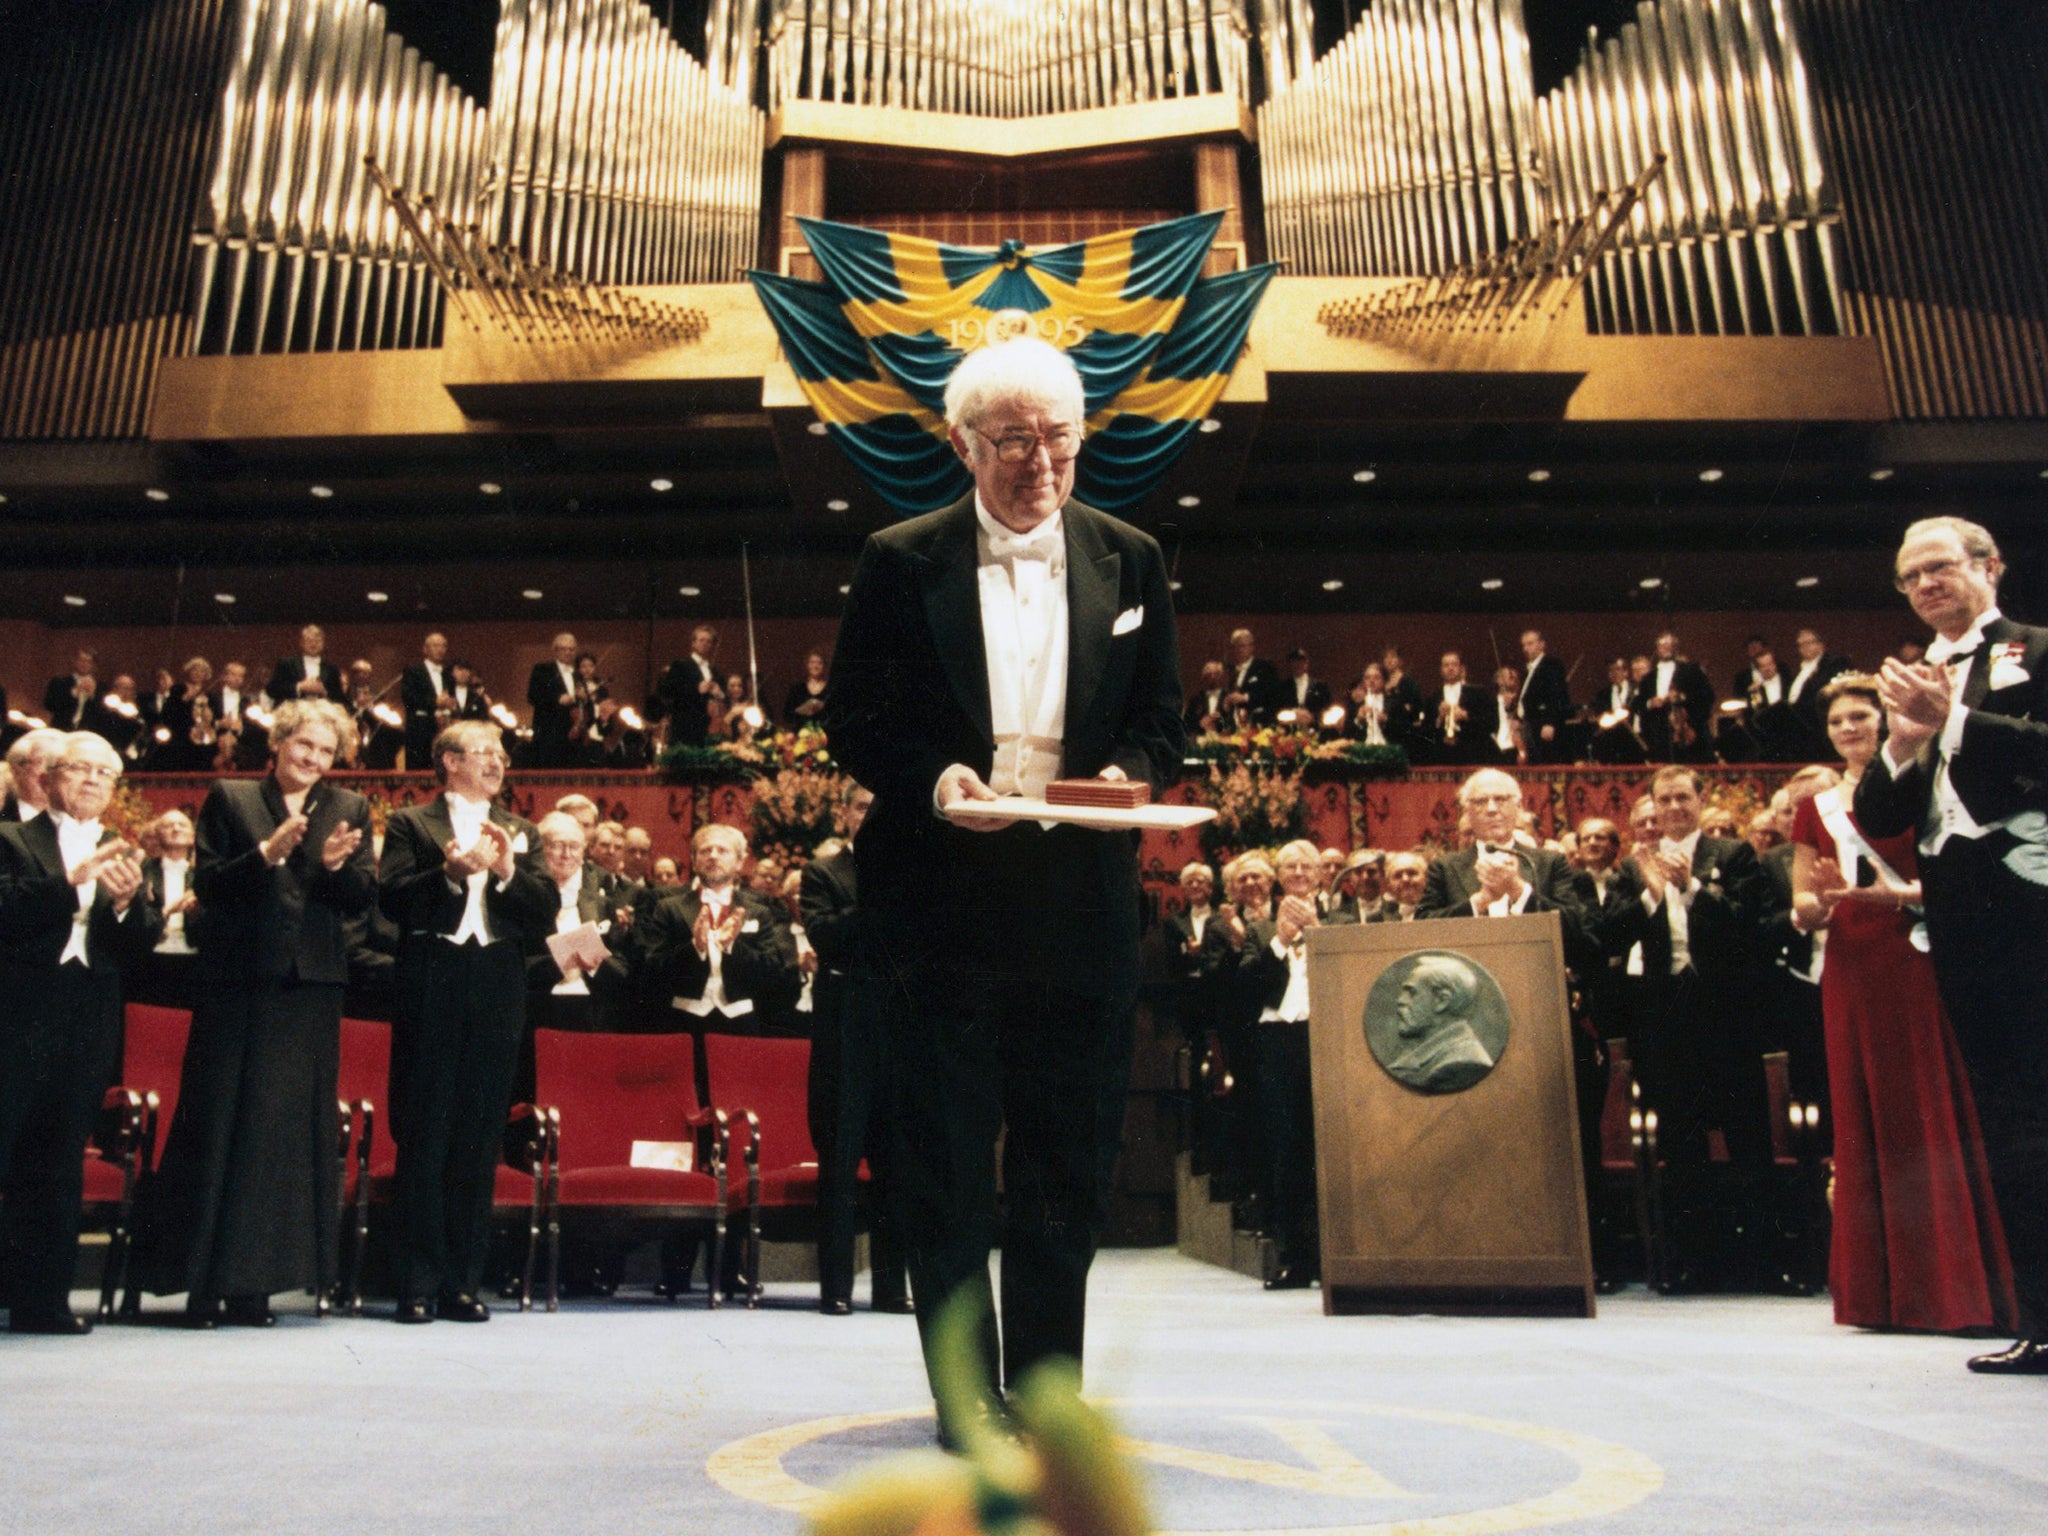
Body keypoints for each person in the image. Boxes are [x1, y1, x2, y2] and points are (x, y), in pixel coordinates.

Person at [822, 336, 1181, 1443]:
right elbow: (853, 722)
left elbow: (1160, 722)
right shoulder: (897, 558)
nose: (1041, 464)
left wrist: (1123, 779)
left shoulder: (1132, 557)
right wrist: (934, 780)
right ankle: (962, 1393)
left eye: (1060, 438)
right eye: (1014, 440)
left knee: (1064, 1163)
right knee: (940, 1163)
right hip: (939, 905)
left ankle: (1044, 1383)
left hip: (1079, 909)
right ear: (961, 442)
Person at [1854, 516, 2048, 1372]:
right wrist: (1901, 745)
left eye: (1940, 568)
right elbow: (1882, 817)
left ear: (1990, 567)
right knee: (2007, 1117)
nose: (1926, 585)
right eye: (1910, 577)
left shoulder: (2037, 652)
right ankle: (2041, 1319)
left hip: (2035, 905)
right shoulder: (1914, 677)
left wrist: (1956, 722)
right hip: (1962, 922)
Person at [133, 701, 374, 1327]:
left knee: (281, 1136)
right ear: (280, 741)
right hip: (237, 983)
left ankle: (256, 1288)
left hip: (309, 990)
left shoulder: (347, 810)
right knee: (220, 1122)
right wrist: (265, 854)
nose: (313, 761)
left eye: (326, 753)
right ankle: (202, 1286)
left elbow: (358, 902)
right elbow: (209, 885)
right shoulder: (231, 796)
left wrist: (333, 868)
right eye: (305, 746)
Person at [1793, 673, 2015, 1335]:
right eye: (1838, 723)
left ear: (1885, 720)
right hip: (1852, 969)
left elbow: (1950, 886)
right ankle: (1882, 1297)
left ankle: (1956, 1290)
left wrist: (1882, 897)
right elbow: (1803, 907)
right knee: (1868, 1118)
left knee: (1932, 1110)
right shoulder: (1817, 806)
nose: (1849, 730)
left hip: (1914, 956)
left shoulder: (1923, 784)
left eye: (1861, 717)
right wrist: (1819, 903)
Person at [377, 720, 553, 1323]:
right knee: (425, 1135)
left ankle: (461, 1285)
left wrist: (505, 873)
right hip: (433, 978)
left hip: (499, 986)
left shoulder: (522, 831)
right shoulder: (410, 823)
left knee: (479, 1139)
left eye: (502, 754)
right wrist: (448, 875)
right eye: (485, 753)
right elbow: (392, 899)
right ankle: (416, 1285)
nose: (498, 763)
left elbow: (545, 910)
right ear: (449, 761)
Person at [0, 733, 159, 1333]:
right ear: (49, 776)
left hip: (85, 1015)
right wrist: (69, 884)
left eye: (106, 773)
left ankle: (41, 1302)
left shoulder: (118, 850)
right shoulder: (10, 838)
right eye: (81, 769)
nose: (93, 780)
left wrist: (122, 905)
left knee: (60, 1155)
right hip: (15, 1012)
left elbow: (134, 949)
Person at [1596, 765, 1771, 1289]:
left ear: (1700, 800)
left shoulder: (1731, 855)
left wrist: (1691, 887)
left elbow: (1747, 923)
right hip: (1665, 1010)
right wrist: (1651, 894)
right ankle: (1693, 1262)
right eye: (1663, 800)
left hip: (1725, 1009)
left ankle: (1758, 1262)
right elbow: (1610, 935)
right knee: (1681, 1136)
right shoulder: (1634, 867)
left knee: (1746, 1134)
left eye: (1682, 798)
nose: (1673, 808)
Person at [803, 784, 910, 1316]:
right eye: (862, 807)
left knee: (896, 1161)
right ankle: (836, 1289)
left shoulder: (911, 869)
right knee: (839, 1161)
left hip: (896, 1017)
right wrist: (882, 902)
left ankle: (892, 1288)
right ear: (845, 814)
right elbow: (827, 938)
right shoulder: (823, 873)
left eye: (878, 808)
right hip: (845, 1019)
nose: (870, 817)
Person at [1236, 840, 1355, 1288]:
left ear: (1321, 874)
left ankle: (1340, 1257)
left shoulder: (1342, 920)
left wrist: (1318, 930)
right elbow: (1246, 986)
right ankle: (1295, 1258)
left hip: (1329, 1036)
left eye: (1308, 866)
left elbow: (1350, 968)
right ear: (1279, 877)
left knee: (1334, 1145)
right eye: (1291, 867)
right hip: (1279, 1041)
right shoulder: (1261, 930)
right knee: (1288, 1151)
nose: (1301, 873)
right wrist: (1282, 941)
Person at [607, 823, 796, 1033]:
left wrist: (732, 946)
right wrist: (694, 947)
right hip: (683, 1021)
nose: (713, 856)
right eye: (705, 851)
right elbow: (651, 971)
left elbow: (772, 975)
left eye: (722, 850)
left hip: (741, 1022)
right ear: (695, 862)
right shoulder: (669, 908)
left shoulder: (758, 911)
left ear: (739, 863)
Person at [652, 625, 723, 749]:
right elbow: (666, 691)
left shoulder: (714, 671)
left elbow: (724, 696)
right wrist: (696, 689)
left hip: (708, 727)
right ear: (693, 643)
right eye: (701, 640)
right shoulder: (680, 665)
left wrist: (718, 693)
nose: (705, 644)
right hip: (685, 726)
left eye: (709, 641)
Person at [1420, 651, 1493, 765]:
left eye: (1454, 664)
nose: (1450, 668)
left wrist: (1466, 716)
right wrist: (1439, 719)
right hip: (1441, 754)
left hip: (1471, 753)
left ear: (1461, 668)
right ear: (1441, 670)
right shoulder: (1432, 697)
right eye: (1446, 665)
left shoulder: (1477, 693)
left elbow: (1491, 723)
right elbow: (1424, 730)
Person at [526, 633, 582, 769]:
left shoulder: (578, 674)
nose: (568, 652)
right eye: (564, 649)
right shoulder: (542, 670)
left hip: (573, 734)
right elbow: (532, 696)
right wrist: (557, 700)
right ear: (555, 650)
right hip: (549, 733)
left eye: (571, 649)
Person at [1516, 630, 1572, 764]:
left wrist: (1550, 722)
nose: (1526, 649)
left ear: (1542, 645)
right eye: (1523, 645)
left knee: (1545, 762)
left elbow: (1558, 696)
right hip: (1528, 727)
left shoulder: (1552, 665)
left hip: (1543, 726)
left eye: (1530, 644)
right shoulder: (1527, 671)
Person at [398, 632, 452, 768]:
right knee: (419, 766)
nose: (440, 649)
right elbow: (408, 698)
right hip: (419, 728)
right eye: (435, 645)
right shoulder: (413, 670)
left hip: (443, 727)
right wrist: (435, 702)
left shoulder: (447, 673)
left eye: (443, 646)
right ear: (425, 649)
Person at [265, 624, 344, 707]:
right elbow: (271, 690)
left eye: (317, 641)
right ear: (301, 643)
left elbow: (340, 698)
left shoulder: (331, 668)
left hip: (322, 716)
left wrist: (324, 692)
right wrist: (299, 687)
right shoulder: (287, 663)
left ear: (323, 643)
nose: (313, 644)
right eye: (309, 640)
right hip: (292, 714)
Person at [784, 649, 831, 730]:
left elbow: (838, 715)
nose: (815, 666)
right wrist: (801, 710)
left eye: (819, 663)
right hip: (802, 736)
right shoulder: (797, 689)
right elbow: (787, 716)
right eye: (812, 662)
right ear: (807, 665)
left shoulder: (831, 689)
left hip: (826, 735)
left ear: (825, 666)